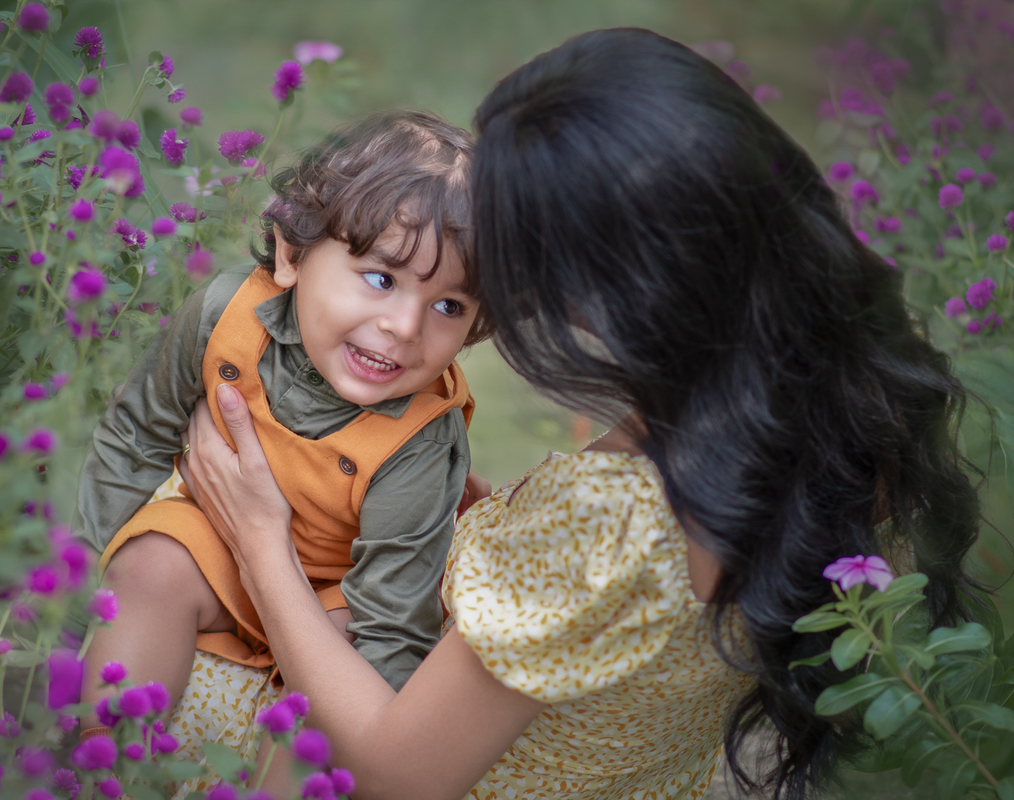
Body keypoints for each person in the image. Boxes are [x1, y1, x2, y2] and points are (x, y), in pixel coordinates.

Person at [177, 27, 980, 800]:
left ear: (601, 291)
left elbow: (398, 776)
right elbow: (630, 618)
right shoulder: (852, 388)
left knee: (148, 638)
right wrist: (485, 520)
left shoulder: (612, 512)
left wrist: (260, 539)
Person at [73, 109, 492, 738]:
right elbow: (135, 436)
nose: (406, 327)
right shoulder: (225, 315)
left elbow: (390, 628)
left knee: (340, 698)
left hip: (340, 593)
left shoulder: (422, 439)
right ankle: (103, 758)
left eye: (448, 305)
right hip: (216, 546)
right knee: (150, 563)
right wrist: (69, 594)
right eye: (380, 278)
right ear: (292, 254)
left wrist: (360, 714)